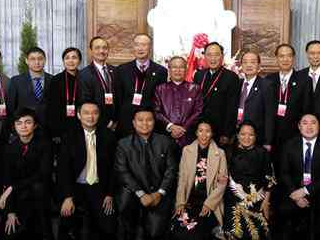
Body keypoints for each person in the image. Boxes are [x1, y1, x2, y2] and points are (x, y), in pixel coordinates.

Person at [114, 108, 177, 240]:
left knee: (155, 233)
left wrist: (159, 193)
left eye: (149, 120)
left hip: (159, 194)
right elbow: (122, 172)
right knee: (130, 228)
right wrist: (141, 194)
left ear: (154, 122)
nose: (145, 123)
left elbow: (171, 170)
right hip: (134, 194)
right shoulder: (123, 144)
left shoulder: (165, 142)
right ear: (133, 122)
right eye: (140, 120)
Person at [57, 102, 117, 239]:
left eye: (95, 113)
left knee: (108, 226)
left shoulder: (109, 137)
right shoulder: (69, 137)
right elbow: (63, 170)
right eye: (86, 113)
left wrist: (110, 193)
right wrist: (67, 196)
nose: (91, 117)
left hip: (99, 188)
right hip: (76, 188)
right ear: (78, 115)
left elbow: (114, 168)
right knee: (70, 226)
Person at [277, 114, 320, 239]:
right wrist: (296, 195)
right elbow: (284, 173)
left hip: (319, 189)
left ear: (319, 126)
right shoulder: (289, 145)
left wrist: (305, 191)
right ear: (299, 127)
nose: (309, 126)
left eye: (313, 123)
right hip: (295, 188)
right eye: (305, 123)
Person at [0, 108, 53, 239]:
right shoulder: (10, 148)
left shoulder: (45, 145)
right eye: (19, 123)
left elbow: (43, 174)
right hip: (19, 194)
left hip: (40, 192)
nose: (23, 126)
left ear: (35, 125)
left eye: (28, 122)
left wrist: (12, 188)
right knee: (11, 230)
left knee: (37, 189)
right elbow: (8, 178)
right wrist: (10, 211)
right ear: (14, 126)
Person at [172, 121, 228, 240]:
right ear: (196, 132)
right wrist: (180, 202)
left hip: (208, 201)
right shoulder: (187, 150)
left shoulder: (220, 153)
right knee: (179, 232)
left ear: (212, 133)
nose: (204, 135)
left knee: (198, 234)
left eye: (208, 131)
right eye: (200, 131)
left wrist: (209, 204)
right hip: (189, 200)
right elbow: (182, 179)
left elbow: (222, 184)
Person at [223, 122, 275, 239]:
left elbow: (270, 180)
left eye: (251, 135)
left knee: (257, 233)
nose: (246, 138)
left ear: (256, 136)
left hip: (257, 200)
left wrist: (266, 202)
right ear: (237, 135)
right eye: (243, 134)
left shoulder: (263, 153)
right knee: (235, 232)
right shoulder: (228, 152)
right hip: (233, 200)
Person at [114, 33, 167, 138]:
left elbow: (161, 100)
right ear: (133, 47)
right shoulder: (122, 70)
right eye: (137, 45)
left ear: (150, 47)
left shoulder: (161, 71)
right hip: (127, 122)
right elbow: (118, 97)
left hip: (150, 123)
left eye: (144, 45)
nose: (140, 48)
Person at [265, 44, 311, 154]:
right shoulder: (268, 80)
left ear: (293, 58)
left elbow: (307, 108)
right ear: (276, 58)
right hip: (273, 136)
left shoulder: (304, 80)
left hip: (295, 135)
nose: (285, 59)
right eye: (281, 56)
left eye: (289, 56)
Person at [193, 42, 240, 146]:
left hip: (220, 130)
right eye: (209, 55)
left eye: (216, 55)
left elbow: (232, 108)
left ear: (222, 56)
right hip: (200, 129)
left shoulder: (231, 77)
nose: (212, 58)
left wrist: (227, 133)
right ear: (204, 56)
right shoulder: (199, 75)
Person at [154, 56, 203, 148]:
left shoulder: (195, 89)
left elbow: (198, 111)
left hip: (188, 138)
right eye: (174, 67)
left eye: (181, 67)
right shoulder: (160, 89)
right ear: (169, 70)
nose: (178, 70)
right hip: (165, 137)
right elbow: (156, 111)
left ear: (186, 69)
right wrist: (171, 126)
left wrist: (183, 128)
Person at [7, 47, 54, 137]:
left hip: (48, 132)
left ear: (45, 60)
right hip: (24, 132)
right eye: (33, 59)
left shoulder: (53, 80)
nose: (37, 62)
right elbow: (10, 108)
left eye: (40, 59)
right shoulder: (16, 81)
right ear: (26, 61)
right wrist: (14, 131)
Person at [237, 51, 276, 149]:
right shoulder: (237, 83)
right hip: (237, 136)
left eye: (253, 62)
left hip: (257, 137)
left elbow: (269, 115)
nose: (248, 65)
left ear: (259, 66)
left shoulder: (266, 85)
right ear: (241, 65)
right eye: (245, 62)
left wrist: (268, 141)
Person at [79, 36, 118, 130]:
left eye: (105, 48)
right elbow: (86, 102)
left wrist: (117, 121)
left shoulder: (116, 71)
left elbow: (120, 98)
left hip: (117, 125)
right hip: (97, 124)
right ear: (91, 51)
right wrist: (106, 122)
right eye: (97, 48)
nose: (101, 51)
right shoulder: (83, 74)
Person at [46, 47, 83, 142]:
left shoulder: (85, 78)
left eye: (74, 57)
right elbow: (52, 107)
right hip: (62, 128)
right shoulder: (56, 80)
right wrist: (55, 133)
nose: (71, 61)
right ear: (63, 61)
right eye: (67, 58)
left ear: (79, 61)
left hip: (82, 125)